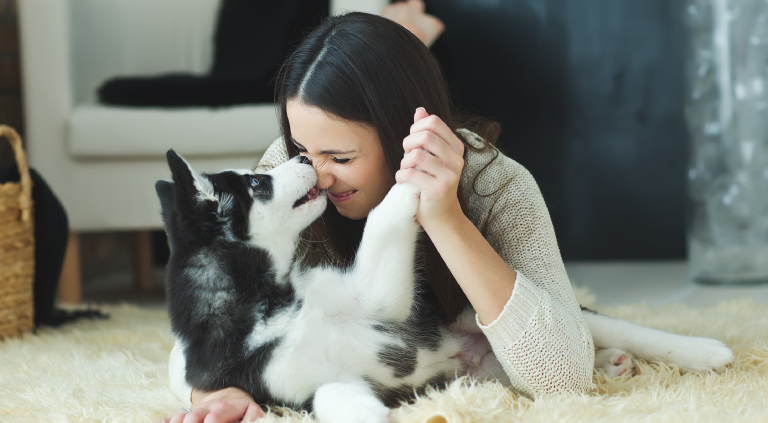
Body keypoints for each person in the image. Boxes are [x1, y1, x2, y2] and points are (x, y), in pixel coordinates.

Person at [157, 7, 594, 423]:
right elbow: (202, 333)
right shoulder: (288, 175)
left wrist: (445, 217)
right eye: (302, 149)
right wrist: (216, 391)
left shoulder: (495, 184)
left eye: (341, 157)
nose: (316, 176)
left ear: (400, 133)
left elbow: (564, 377)